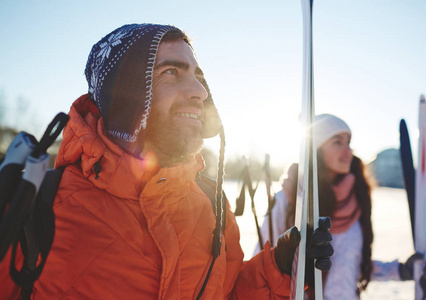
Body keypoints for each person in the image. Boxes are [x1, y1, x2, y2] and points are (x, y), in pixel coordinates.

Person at [0, 24, 333, 299]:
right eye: (171, 72)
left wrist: (277, 267)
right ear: (125, 94)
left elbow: (227, 293)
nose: (200, 92)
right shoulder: (37, 205)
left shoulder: (212, 204)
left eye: (198, 76)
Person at [257, 114, 426, 299]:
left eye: (348, 142)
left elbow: (352, 265)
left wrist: (400, 270)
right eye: (337, 142)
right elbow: (260, 266)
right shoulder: (289, 200)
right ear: (316, 149)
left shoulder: (356, 199)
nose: (348, 151)